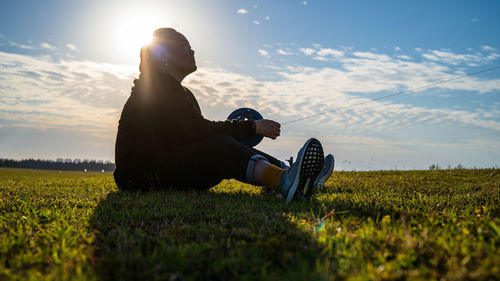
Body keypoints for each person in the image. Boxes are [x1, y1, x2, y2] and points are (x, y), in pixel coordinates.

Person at [114, 28, 334, 202]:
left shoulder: (178, 92)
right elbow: (199, 131)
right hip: (140, 177)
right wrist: (253, 128)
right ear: (163, 56)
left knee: (222, 142)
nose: (192, 51)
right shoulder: (153, 89)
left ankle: (296, 176)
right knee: (219, 145)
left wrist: (241, 132)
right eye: (184, 46)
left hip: (164, 167)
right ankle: (283, 181)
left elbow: (195, 133)